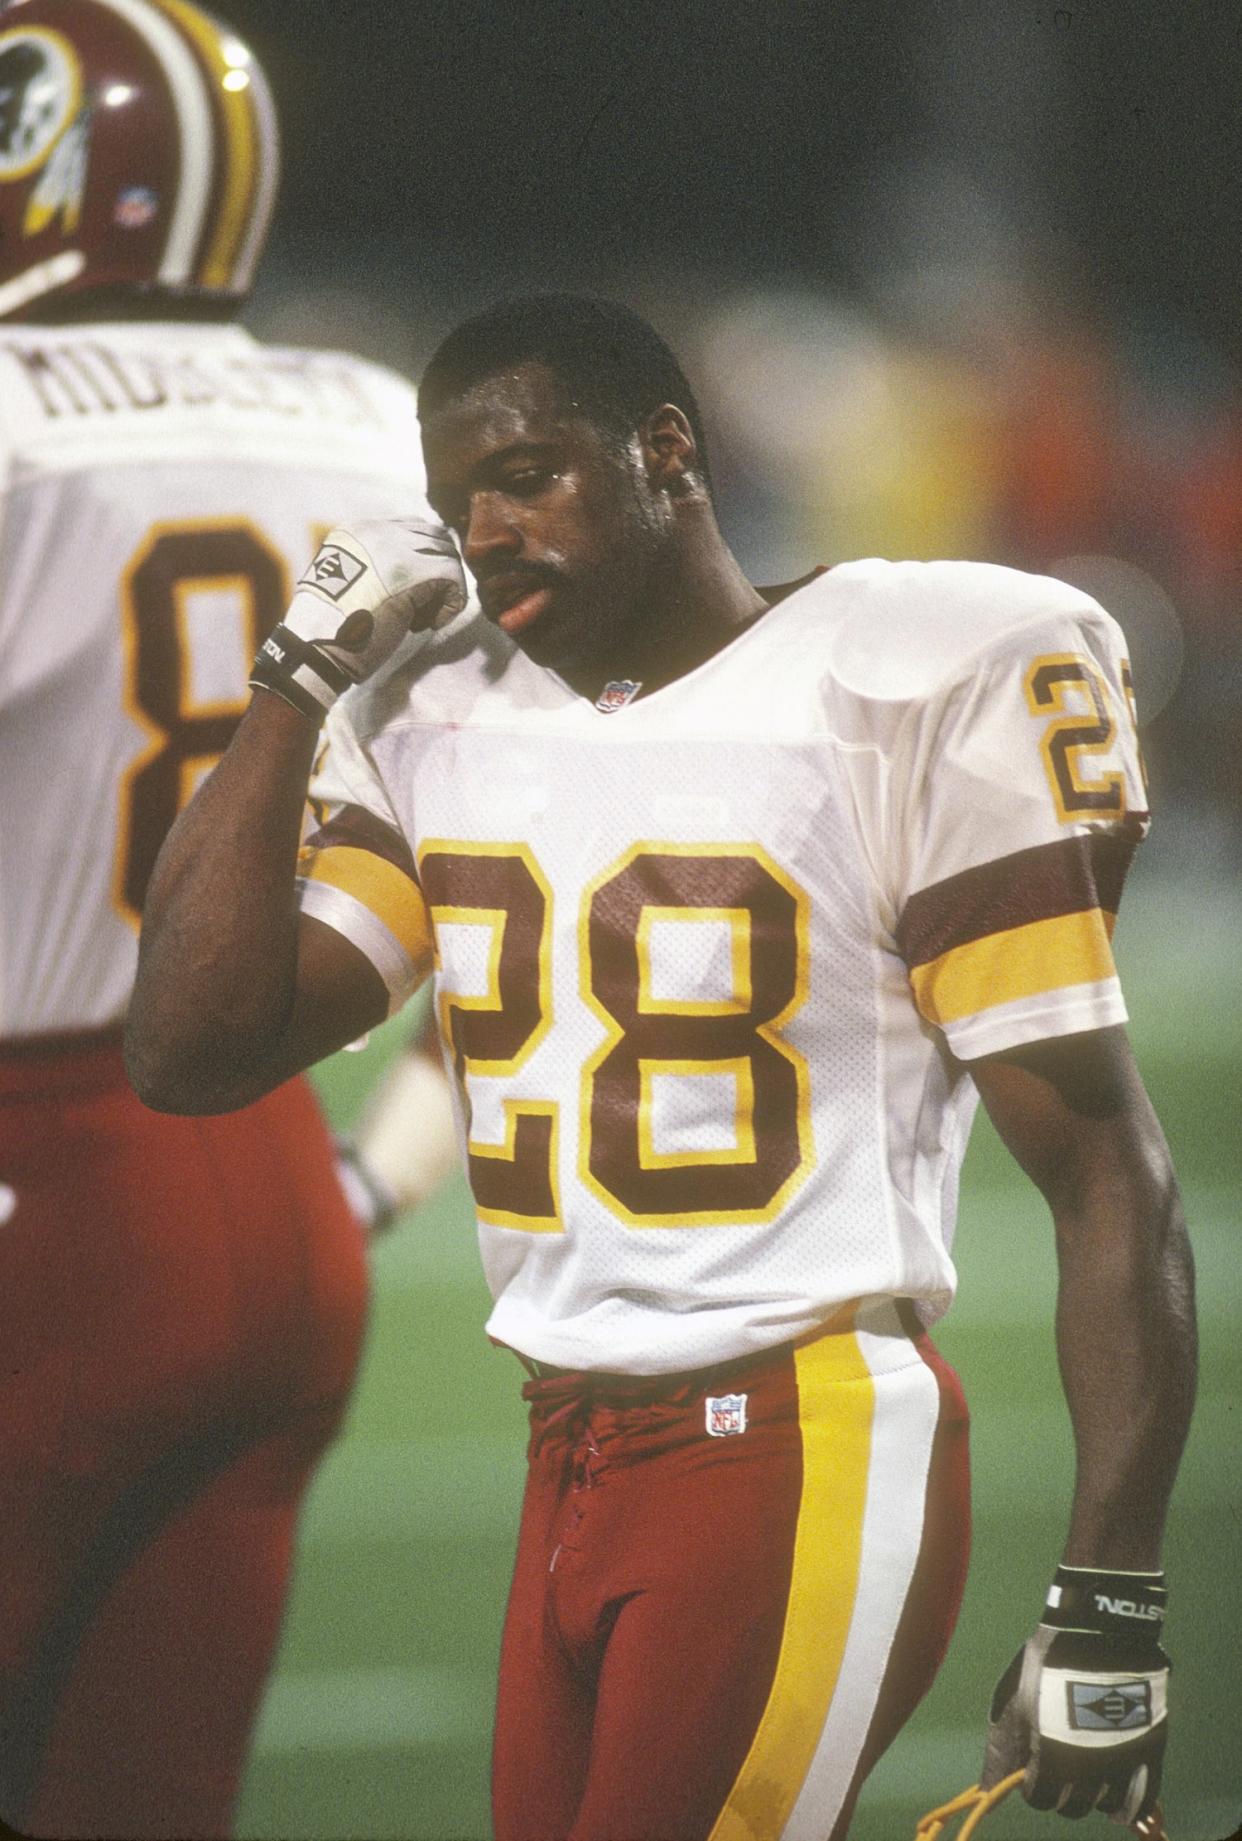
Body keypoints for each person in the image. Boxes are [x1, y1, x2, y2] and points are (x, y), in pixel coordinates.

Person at [125, 293, 1198, 1841]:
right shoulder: (436, 716)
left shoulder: (893, 678)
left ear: (666, 452)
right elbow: (190, 1049)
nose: (485, 531)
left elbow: (1107, 1171)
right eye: (456, 502)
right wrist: (294, 678)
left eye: (530, 473)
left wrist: (1106, 1593)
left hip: (799, 1433)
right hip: (564, 1447)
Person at [0, 1, 455, 1834]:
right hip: (275, 1178)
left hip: (41, 1203)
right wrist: (367, 1176)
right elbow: (510, 857)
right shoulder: (378, 419)